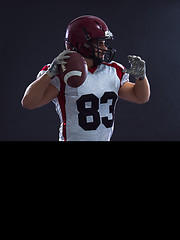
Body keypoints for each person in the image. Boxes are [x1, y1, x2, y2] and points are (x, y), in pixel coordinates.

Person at [21, 15, 150, 141]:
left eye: (105, 43)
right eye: (99, 43)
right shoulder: (62, 73)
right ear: (81, 45)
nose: (105, 48)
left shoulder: (113, 70)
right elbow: (29, 102)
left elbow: (140, 97)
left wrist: (141, 77)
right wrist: (49, 74)